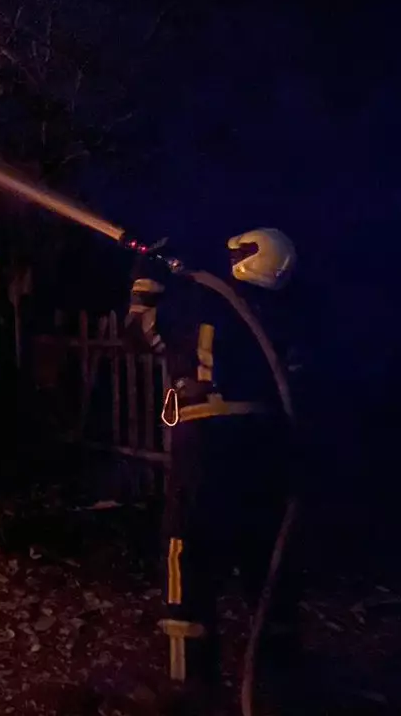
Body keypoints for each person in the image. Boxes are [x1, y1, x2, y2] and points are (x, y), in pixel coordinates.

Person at [125, 228, 306, 711]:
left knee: (188, 555)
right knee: (264, 562)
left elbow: (139, 332)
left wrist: (147, 274)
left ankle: (190, 687)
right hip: (268, 452)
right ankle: (279, 679)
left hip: (209, 451)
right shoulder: (281, 316)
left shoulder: (206, 304)